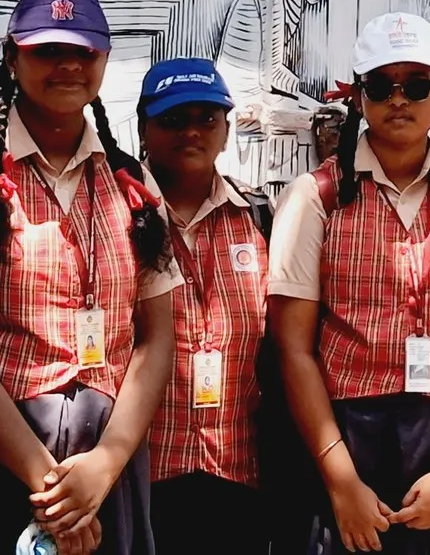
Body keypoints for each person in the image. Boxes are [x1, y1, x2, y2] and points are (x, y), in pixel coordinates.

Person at [0, 0, 179, 555]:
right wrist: (48, 485)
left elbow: (155, 338)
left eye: (83, 52)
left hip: (108, 460)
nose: (68, 66)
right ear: (11, 58)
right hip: (0, 452)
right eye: (48, 50)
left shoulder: (133, 183)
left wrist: (105, 464)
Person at [267, 14, 430, 555]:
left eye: (417, 85)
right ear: (358, 98)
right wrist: (340, 479)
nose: (398, 99)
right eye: (380, 85)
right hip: (345, 434)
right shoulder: (317, 198)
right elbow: (293, 347)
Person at [131, 59, 277, 555]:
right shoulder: (118, 217)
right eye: (172, 120)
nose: (191, 131)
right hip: (141, 475)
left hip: (239, 474)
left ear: (226, 129)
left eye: (206, 119)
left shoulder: (259, 219)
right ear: (143, 129)